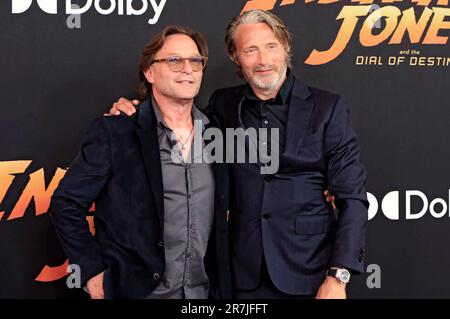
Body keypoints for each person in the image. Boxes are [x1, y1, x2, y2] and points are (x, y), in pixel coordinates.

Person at [109, 10, 368, 299]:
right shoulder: (223, 105)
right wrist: (132, 111)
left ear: (285, 48)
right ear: (235, 57)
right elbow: (175, 123)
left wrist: (338, 276)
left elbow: (352, 199)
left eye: (271, 46)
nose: (263, 60)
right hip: (241, 277)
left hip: (312, 273)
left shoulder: (327, 108)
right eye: (250, 50)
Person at [49, 25, 232, 299]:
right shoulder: (117, 130)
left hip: (202, 295)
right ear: (149, 72)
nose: (188, 69)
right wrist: (90, 272)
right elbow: (66, 202)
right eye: (174, 60)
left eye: (195, 61)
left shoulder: (218, 132)